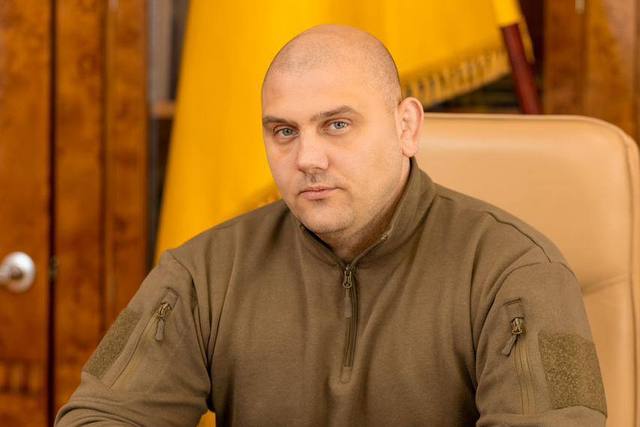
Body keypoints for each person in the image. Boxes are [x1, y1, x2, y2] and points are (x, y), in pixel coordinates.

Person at [55, 24, 607, 426]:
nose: (308, 159)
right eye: (284, 132)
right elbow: (97, 418)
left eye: (337, 125)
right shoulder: (203, 271)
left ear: (406, 127)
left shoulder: (519, 271)